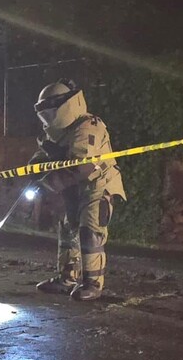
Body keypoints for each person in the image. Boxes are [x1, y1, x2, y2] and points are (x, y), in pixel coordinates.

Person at [29, 79, 126, 301]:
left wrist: (48, 185)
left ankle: (92, 283)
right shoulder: (58, 132)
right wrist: (33, 170)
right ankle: (67, 279)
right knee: (68, 230)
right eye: (44, 116)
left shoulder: (87, 127)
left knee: (90, 231)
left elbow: (82, 167)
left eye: (50, 114)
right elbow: (42, 157)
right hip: (76, 188)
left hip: (98, 185)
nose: (47, 120)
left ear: (64, 107)